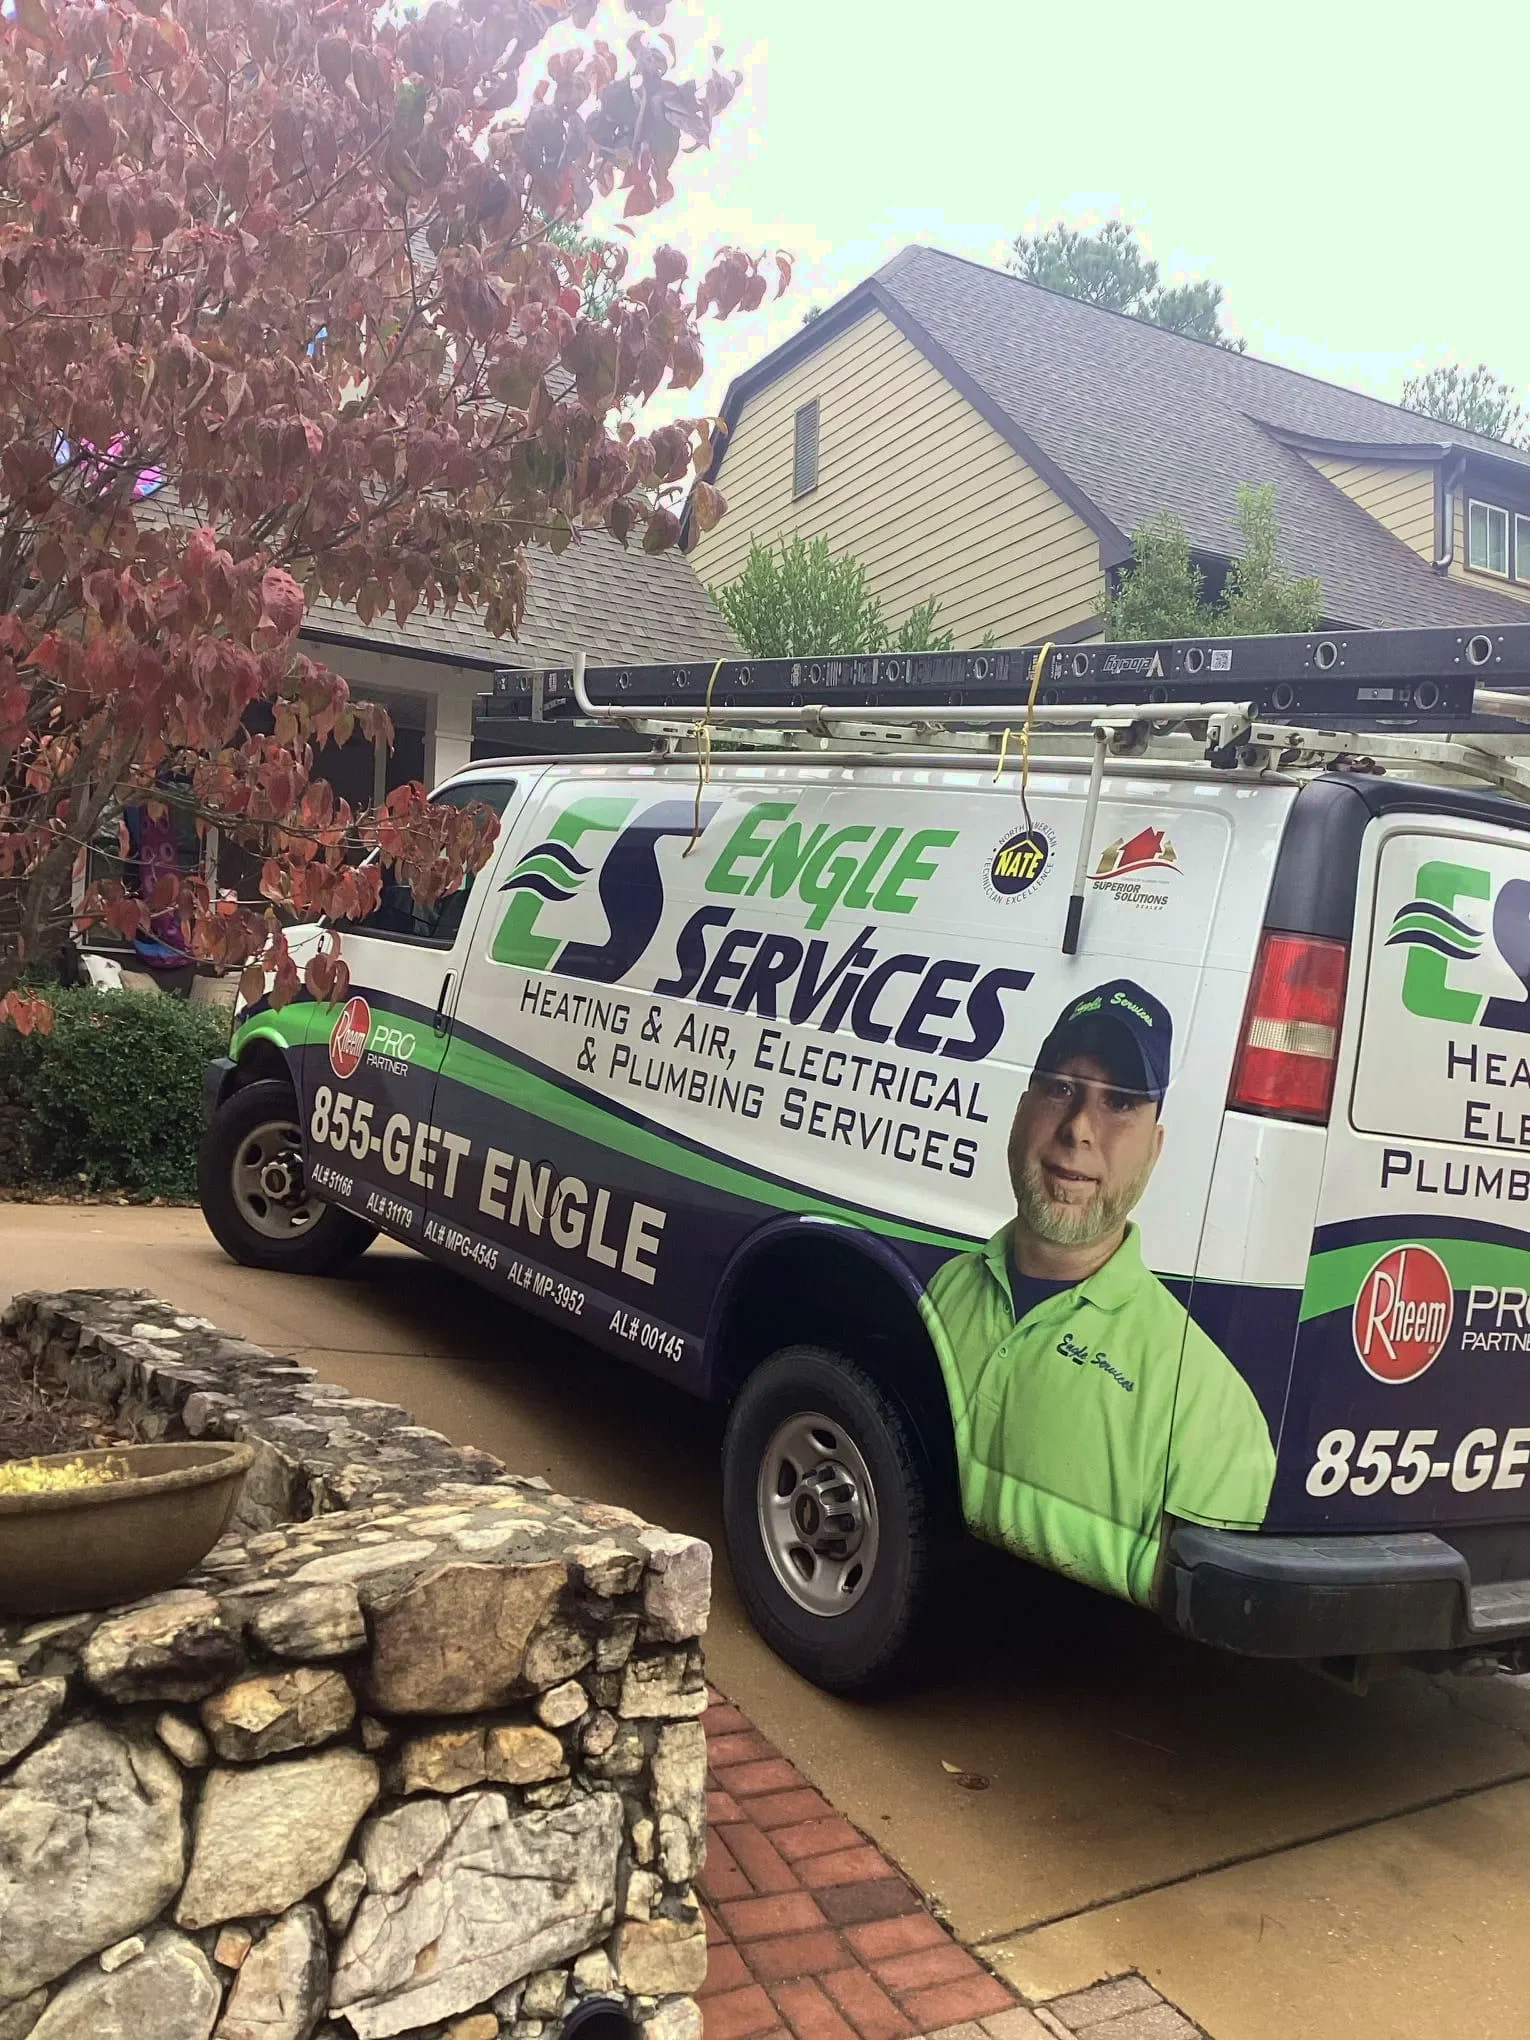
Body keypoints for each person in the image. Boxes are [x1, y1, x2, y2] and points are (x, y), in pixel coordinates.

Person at [920, 979, 1275, 1607]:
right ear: (1021, 1111)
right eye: (1061, 1088)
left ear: (1155, 1149)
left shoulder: (1212, 1413)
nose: (1080, 1127)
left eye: (1120, 1103)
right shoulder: (945, 1292)